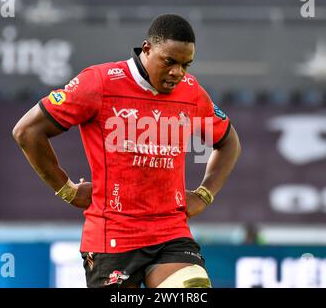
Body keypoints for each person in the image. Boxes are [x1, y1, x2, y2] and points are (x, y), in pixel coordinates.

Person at [13, 14, 241, 288]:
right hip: (113, 237)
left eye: (185, 64)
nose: (178, 73)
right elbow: (27, 131)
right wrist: (67, 189)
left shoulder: (191, 93)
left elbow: (229, 143)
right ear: (147, 49)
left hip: (171, 232)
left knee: (191, 289)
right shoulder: (99, 82)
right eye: (170, 61)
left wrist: (205, 194)